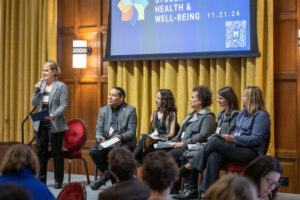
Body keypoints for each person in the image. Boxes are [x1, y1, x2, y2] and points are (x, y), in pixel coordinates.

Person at [179, 86, 271, 198]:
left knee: (215, 141)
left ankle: (190, 166)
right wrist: (229, 137)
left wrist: (234, 139)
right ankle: (208, 194)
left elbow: (256, 139)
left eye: (244, 96)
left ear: (251, 98)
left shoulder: (261, 116)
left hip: (251, 153)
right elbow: (237, 132)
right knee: (214, 155)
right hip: (237, 147)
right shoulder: (243, 114)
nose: (241, 98)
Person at [174, 86, 239, 199]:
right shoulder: (220, 114)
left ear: (228, 99)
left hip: (227, 146)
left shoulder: (235, 115)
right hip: (215, 144)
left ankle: (193, 185)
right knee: (195, 153)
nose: (217, 100)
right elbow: (216, 132)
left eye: (221, 98)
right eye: (218, 98)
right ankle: (200, 191)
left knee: (194, 153)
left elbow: (231, 134)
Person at [89, 87, 137, 190]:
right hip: (108, 141)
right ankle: (114, 178)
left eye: (114, 95)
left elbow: (131, 132)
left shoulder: (130, 110)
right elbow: (99, 129)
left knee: (120, 153)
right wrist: (99, 137)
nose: (110, 97)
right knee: (93, 151)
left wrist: (121, 136)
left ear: (121, 98)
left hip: (124, 141)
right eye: (110, 95)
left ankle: (104, 178)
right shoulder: (103, 110)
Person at [32, 60, 68, 189]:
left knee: (56, 151)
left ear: (54, 71)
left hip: (55, 121)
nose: (44, 73)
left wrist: (54, 114)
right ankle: (41, 181)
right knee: (41, 152)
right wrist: (36, 91)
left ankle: (58, 180)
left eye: (46, 70)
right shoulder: (41, 86)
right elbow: (34, 103)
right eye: (43, 70)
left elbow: (64, 104)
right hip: (41, 121)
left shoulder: (61, 86)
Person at [134, 89, 177, 163]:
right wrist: (150, 137)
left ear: (165, 100)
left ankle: (133, 158)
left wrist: (159, 137)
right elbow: (151, 131)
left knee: (148, 147)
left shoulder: (172, 114)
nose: (155, 100)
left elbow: (171, 134)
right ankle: (135, 158)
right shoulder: (154, 114)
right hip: (153, 140)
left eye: (158, 98)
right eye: (156, 98)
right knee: (145, 137)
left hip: (164, 140)